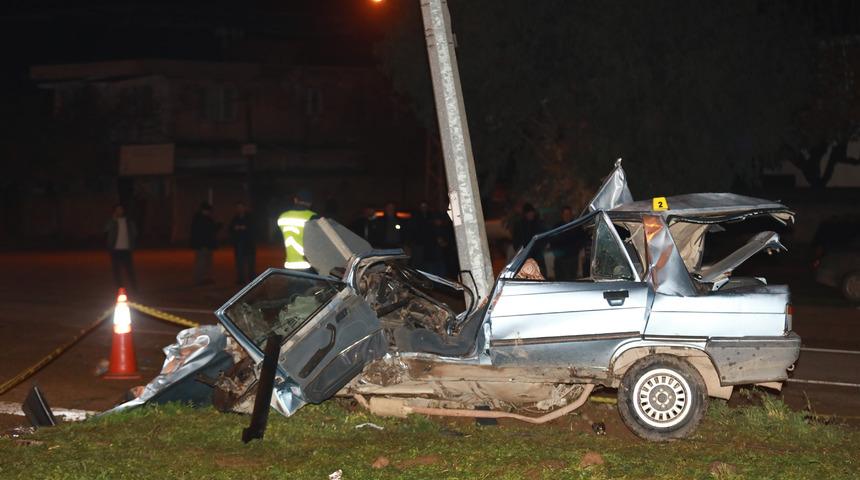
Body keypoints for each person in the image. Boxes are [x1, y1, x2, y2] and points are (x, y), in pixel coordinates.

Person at [277, 190, 318, 271]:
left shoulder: (282, 217)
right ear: (310, 203)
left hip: (289, 265)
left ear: (295, 200)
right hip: (308, 266)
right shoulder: (314, 217)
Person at [105, 204, 138, 291]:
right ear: (115, 211)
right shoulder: (112, 221)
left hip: (126, 250)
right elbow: (105, 229)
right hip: (115, 250)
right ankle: (119, 288)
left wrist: (132, 244)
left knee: (129, 270)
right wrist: (112, 220)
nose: (119, 211)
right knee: (117, 271)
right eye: (117, 210)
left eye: (121, 209)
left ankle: (135, 289)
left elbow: (134, 233)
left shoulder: (128, 221)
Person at [190, 202, 220, 285]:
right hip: (203, 244)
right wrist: (217, 226)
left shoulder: (200, 218)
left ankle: (204, 278)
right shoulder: (202, 219)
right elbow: (207, 230)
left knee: (206, 262)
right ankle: (199, 279)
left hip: (205, 244)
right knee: (201, 262)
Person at [512, 203, 546, 274]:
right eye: (529, 213)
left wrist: (541, 247)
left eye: (532, 212)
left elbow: (543, 238)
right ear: (525, 214)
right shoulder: (520, 226)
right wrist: (521, 251)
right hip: (525, 257)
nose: (531, 214)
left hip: (538, 255)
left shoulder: (538, 224)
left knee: (541, 274)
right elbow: (516, 241)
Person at [229, 201, 256, 284]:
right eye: (238, 207)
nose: (239, 209)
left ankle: (251, 278)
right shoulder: (235, 218)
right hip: (239, 244)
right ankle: (240, 279)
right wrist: (235, 228)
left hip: (249, 243)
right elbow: (230, 229)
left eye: (241, 207)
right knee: (239, 262)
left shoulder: (250, 217)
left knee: (250, 261)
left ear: (244, 208)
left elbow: (255, 229)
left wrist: (246, 228)